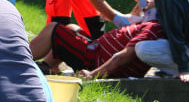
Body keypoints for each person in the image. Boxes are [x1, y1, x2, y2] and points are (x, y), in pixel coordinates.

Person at [29, 20, 164, 79]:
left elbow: (123, 56)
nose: (149, 0)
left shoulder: (153, 29)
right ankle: (45, 66)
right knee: (71, 27)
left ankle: (18, 58)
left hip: (94, 60)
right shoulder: (152, 25)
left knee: (54, 28)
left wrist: (92, 75)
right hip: (95, 49)